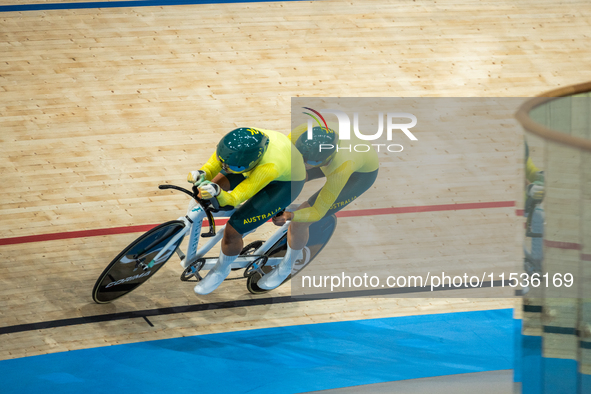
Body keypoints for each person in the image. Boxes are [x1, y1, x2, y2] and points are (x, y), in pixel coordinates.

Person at [257, 123, 380, 290]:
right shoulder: (299, 136)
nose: (306, 165)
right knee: (290, 177)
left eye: (310, 163)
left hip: (358, 175)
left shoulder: (342, 166)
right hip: (327, 158)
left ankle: (286, 268)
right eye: (303, 160)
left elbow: (316, 212)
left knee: (300, 221)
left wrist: (290, 216)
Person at [187, 127, 306, 295]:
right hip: (259, 162)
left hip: (285, 184)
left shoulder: (270, 166)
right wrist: (203, 172)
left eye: (232, 166)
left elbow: (235, 197)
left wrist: (219, 193)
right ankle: (189, 225)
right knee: (204, 192)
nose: (225, 168)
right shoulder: (233, 146)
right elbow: (217, 163)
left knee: (233, 230)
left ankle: (221, 270)